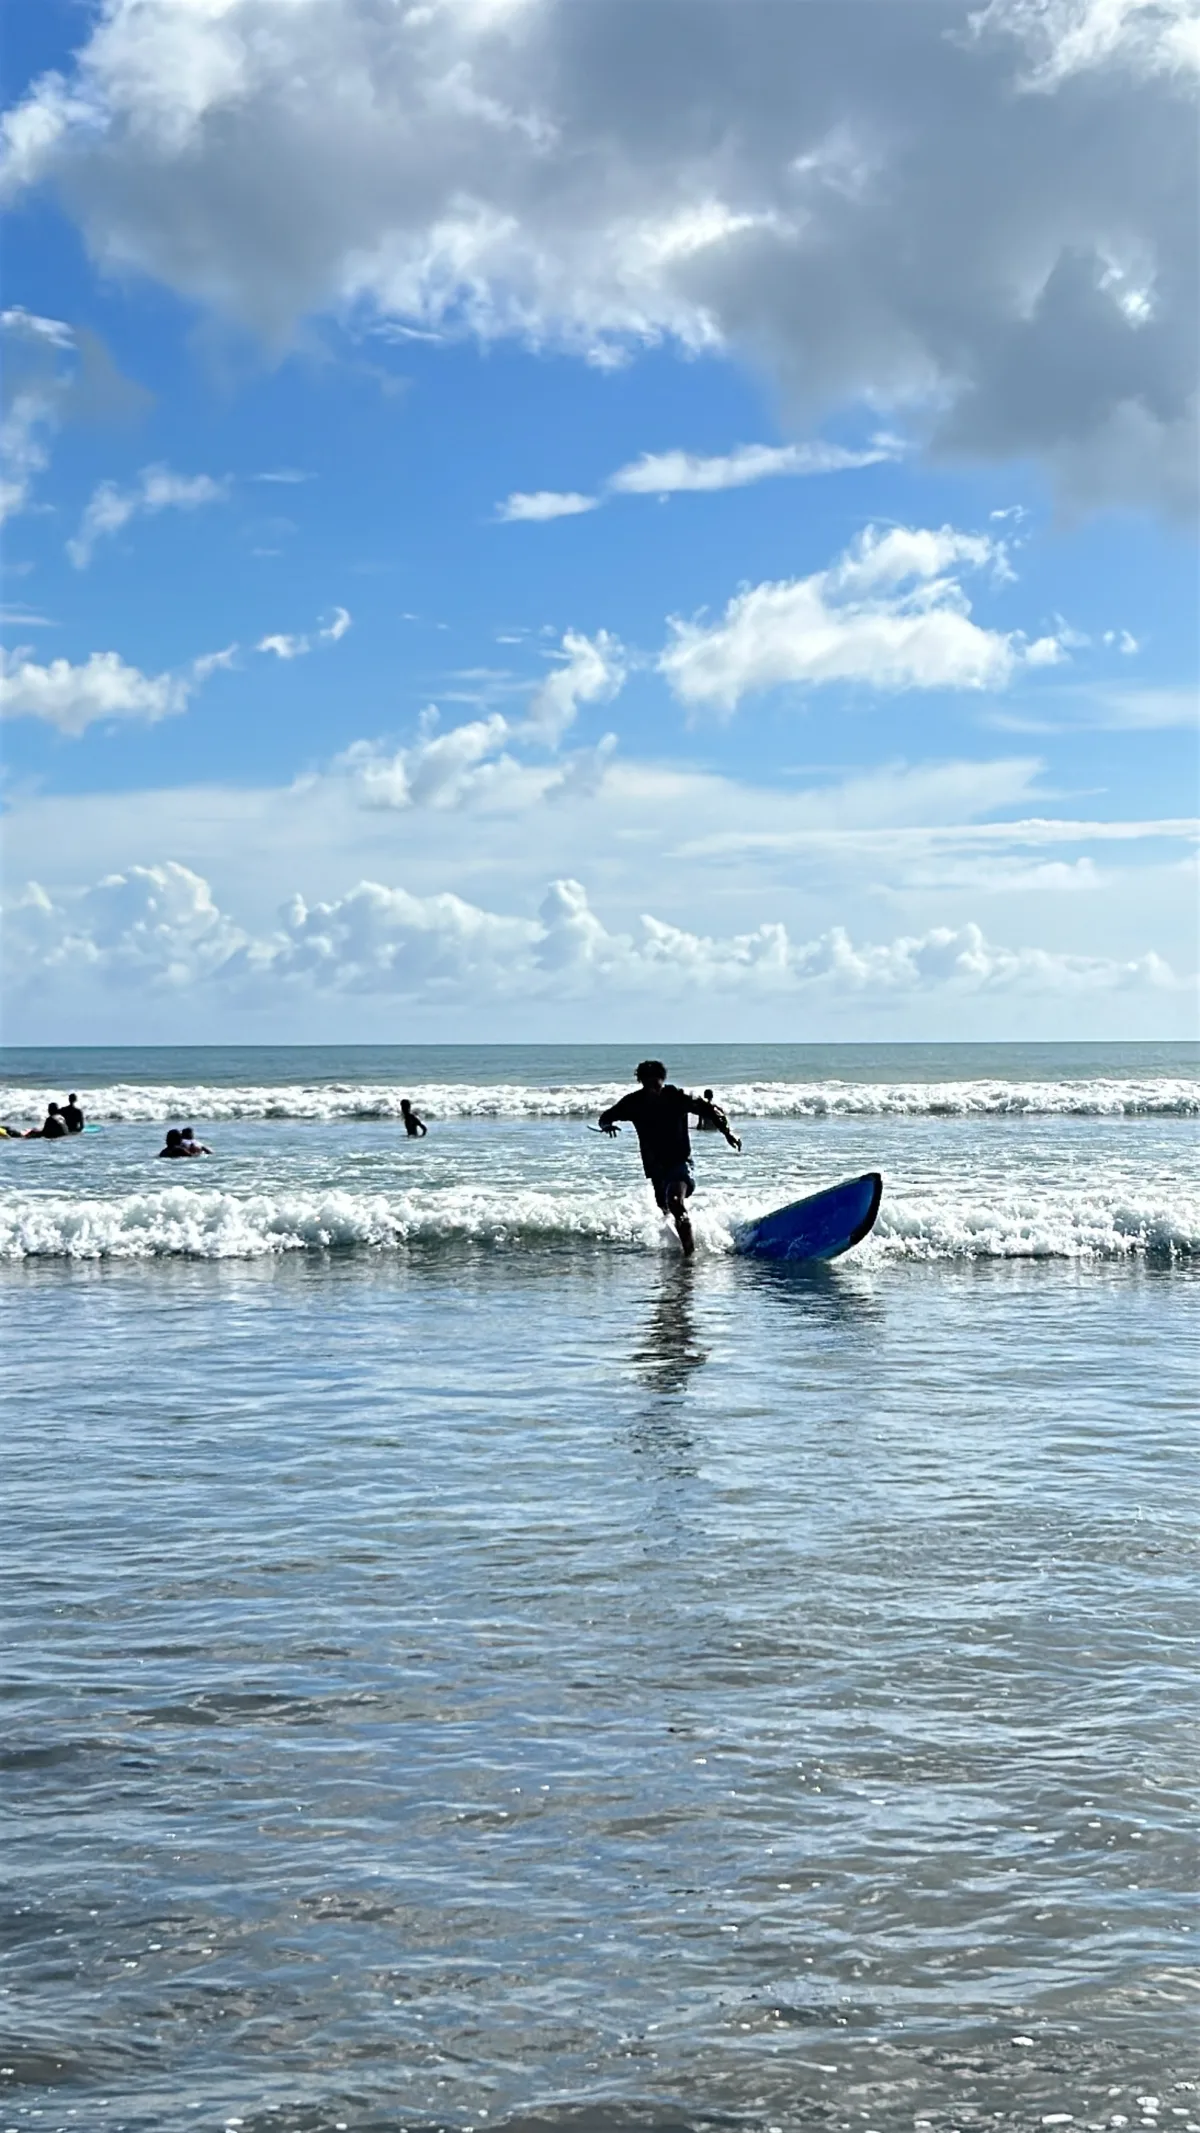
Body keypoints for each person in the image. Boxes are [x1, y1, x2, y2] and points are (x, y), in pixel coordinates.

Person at [597, 1060, 741, 1257]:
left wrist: (728, 1132)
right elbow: (606, 1116)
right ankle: (678, 1247)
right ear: (641, 1081)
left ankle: (689, 1256)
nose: (653, 1090)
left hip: (679, 1161)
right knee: (666, 1210)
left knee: (674, 1202)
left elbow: (711, 1109)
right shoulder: (633, 1103)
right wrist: (606, 1126)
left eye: (656, 1084)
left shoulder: (677, 1096)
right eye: (647, 1084)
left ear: (662, 1080)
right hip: (655, 1166)